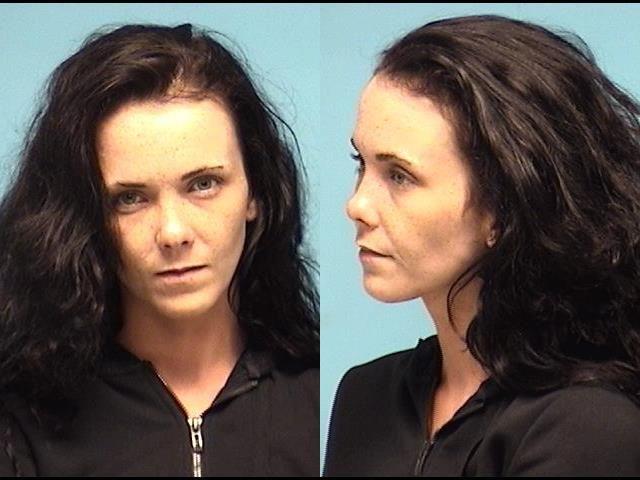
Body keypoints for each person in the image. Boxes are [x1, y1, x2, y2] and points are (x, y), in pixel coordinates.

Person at [324, 14, 640, 476]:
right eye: (361, 164)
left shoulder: (586, 426)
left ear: (504, 207)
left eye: (399, 176)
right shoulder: (366, 396)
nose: (357, 205)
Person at [0, 23, 319, 476]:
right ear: (84, 216)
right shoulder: (21, 422)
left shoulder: (323, 404)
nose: (172, 232)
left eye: (203, 184)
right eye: (130, 198)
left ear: (255, 193)